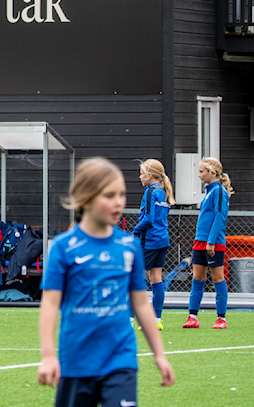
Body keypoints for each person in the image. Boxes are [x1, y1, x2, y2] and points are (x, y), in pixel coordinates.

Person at [37, 158, 174, 405]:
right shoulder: (63, 247)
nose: (119, 201)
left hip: (120, 359)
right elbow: (49, 304)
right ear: (86, 199)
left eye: (121, 194)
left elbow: (141, 304)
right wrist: (48, 356)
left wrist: (160, 354)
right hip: (77, 360)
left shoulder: (129, 246)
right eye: (109, 195)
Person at [183, 156, 233, 329]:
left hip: (213, 243)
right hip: (200, 242)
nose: (199, 175)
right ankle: (192, 317)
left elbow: (220, 217)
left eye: (201, 171)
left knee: (218, 278)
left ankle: (221, 318)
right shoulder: (209, 191)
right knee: (198, 278)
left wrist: (211, 242)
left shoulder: (219, 191)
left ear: (212, 173)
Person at [131, 159, 173, 330]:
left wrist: (134, 231)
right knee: (156, 278)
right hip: (162, 240)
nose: (140, 177)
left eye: (141, 174)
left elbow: (148, 218)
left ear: (149, 175)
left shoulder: (150, 192)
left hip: (149, 241)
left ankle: (129, 319)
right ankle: (156, 320)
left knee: (135, 277)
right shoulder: (163, 192)